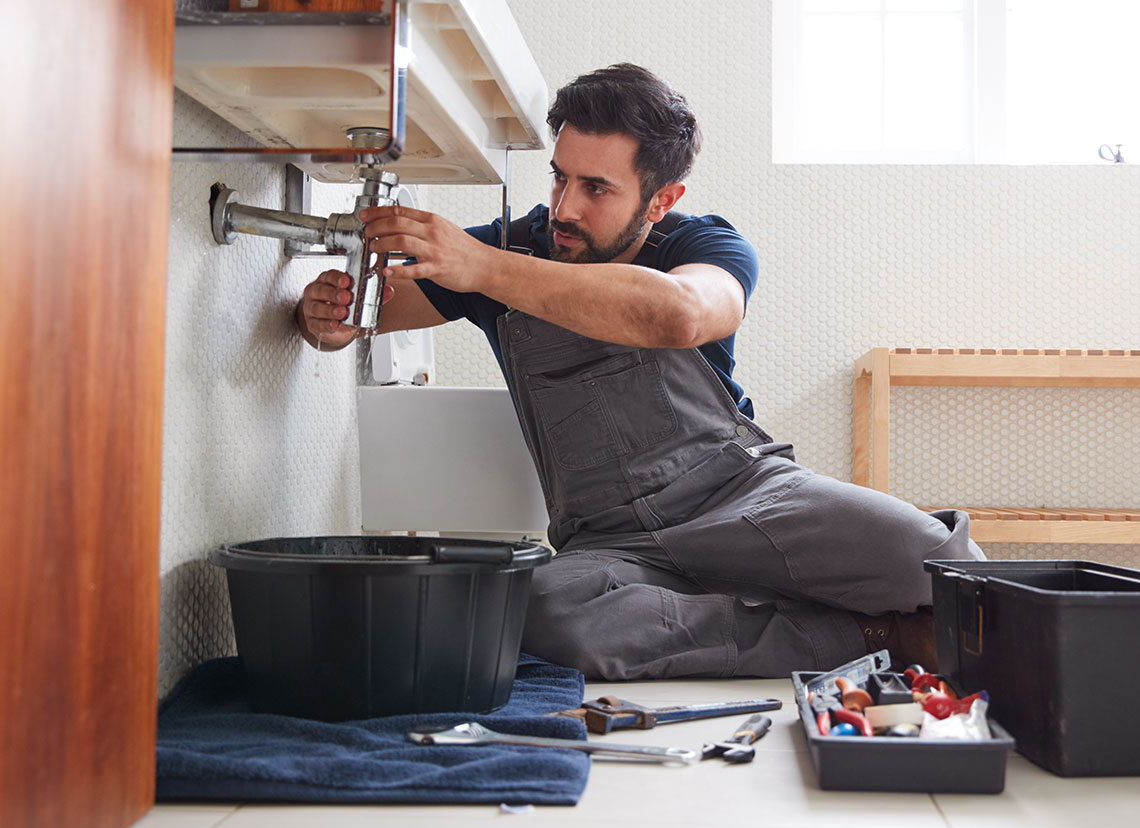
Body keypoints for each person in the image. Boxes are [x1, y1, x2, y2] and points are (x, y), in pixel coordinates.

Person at [295, 63, 984, 680]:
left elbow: (683, 314)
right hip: (608, 539)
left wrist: (487, 268)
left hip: (743, 496)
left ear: (661, 199)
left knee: (942, 565)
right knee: (541, 611)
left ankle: (747, 608)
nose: (564, 208)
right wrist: (325, 315)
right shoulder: (518, 246)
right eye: (560, 177)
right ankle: (869, 634)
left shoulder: (704, 244)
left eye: (596, 188)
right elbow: (370, 312)